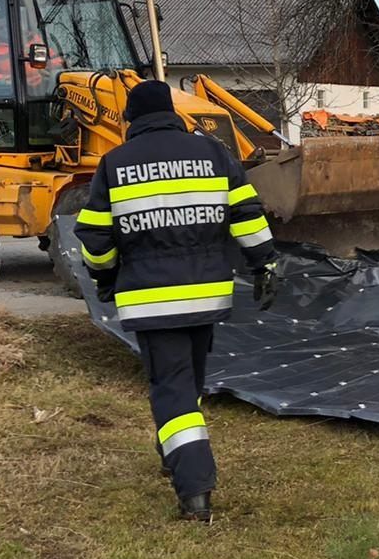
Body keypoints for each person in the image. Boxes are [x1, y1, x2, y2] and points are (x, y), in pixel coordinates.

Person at [74, 80, 277, 523]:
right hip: (206, 295)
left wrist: (105, 275)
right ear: (174, 113)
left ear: (130, 120)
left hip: (151, 299)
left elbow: (93, 235)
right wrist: (264, 263)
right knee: (189, 384)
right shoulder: (213, 153)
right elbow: (245, 212)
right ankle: (175, 454)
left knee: (173, 393)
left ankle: (195, 489)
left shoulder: (114, 163)